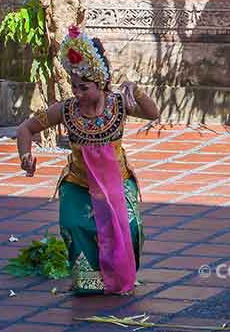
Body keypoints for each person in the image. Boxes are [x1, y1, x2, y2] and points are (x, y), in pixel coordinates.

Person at [16, 25, 159, 295]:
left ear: (101, 83)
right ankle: (89, 283)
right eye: (74, 86)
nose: (77, 93)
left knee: (129, 227)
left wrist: (136, 91)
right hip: (79, 183)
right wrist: (25, 155)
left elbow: (153, 113)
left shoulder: (118, 104)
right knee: (75, 225)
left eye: (84, 87)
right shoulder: (66, 110)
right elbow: (26, 129)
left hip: (117, 182)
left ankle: (119, 276)